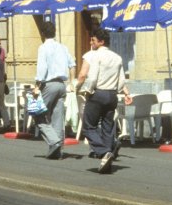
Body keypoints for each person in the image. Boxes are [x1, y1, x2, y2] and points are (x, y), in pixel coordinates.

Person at [76, 28, 133, 173]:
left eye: (93, 40)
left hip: (98, 94)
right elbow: (121, 81)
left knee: (88, 127)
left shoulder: (96, 56)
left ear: (101, 41)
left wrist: (86, 90)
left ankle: (103, 152)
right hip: (112, 95)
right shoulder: (118, 57)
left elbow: (92, 77)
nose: (91, 43)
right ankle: (107, 159)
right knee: (108, 128)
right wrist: (124, 92)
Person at [33, 20, 75, 160]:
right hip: (61, 84)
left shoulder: (43, 47)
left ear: (43, 33)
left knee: (38, 114)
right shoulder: (63, 47)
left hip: (49, 84)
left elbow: (42, 68)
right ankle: (58, 150)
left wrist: (37, 85)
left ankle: (54, 141)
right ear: (55, 32)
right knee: (58, 118)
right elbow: (72, 64)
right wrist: (71, 82)